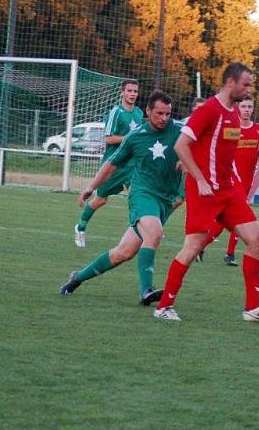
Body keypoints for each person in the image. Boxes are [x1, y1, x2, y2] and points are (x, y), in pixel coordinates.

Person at [153, 62, 259, 322]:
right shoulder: (209, 109)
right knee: (191, 248)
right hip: (205, 192)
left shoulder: (235, 113)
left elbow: (222, 153)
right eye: (245, 84)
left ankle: (253, 308)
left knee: (256, 239)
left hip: (228, 190)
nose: (248, 90)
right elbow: (181, 145)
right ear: (230, 83)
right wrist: (200, 179)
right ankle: (164, 307)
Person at [60, 91, 184, 304]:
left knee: (123, 252)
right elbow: (111, 164)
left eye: (168, 114)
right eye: (159, 113)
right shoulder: (135, 137)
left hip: (165, 200)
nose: (164, 118)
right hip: (142, 195)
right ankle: (146, 291)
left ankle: (77, 278)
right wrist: (91, 187)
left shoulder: (180, 131)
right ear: (148, 111)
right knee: (154, 234)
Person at [198, 94, 259, 266]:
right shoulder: (231, 129)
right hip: (230, 182)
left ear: (253, 109)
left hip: (247, 182)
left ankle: (214, 250)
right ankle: (217, 250)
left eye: (249, 107)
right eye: (243, 106)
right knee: (232, 220)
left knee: (238, 220)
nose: (246, 110)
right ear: (238, 108)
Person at [74, 79, 143, 247]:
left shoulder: (139, 113)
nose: (132, 94)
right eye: (129, 90)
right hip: (114, 164)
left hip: (132, 164)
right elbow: (109, 139)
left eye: (135, 91)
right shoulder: (116, 113)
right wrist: (129, 139)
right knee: (100, 200)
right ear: (122, 93)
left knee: (137, 194)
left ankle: (139, 231)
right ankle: (80, 227)